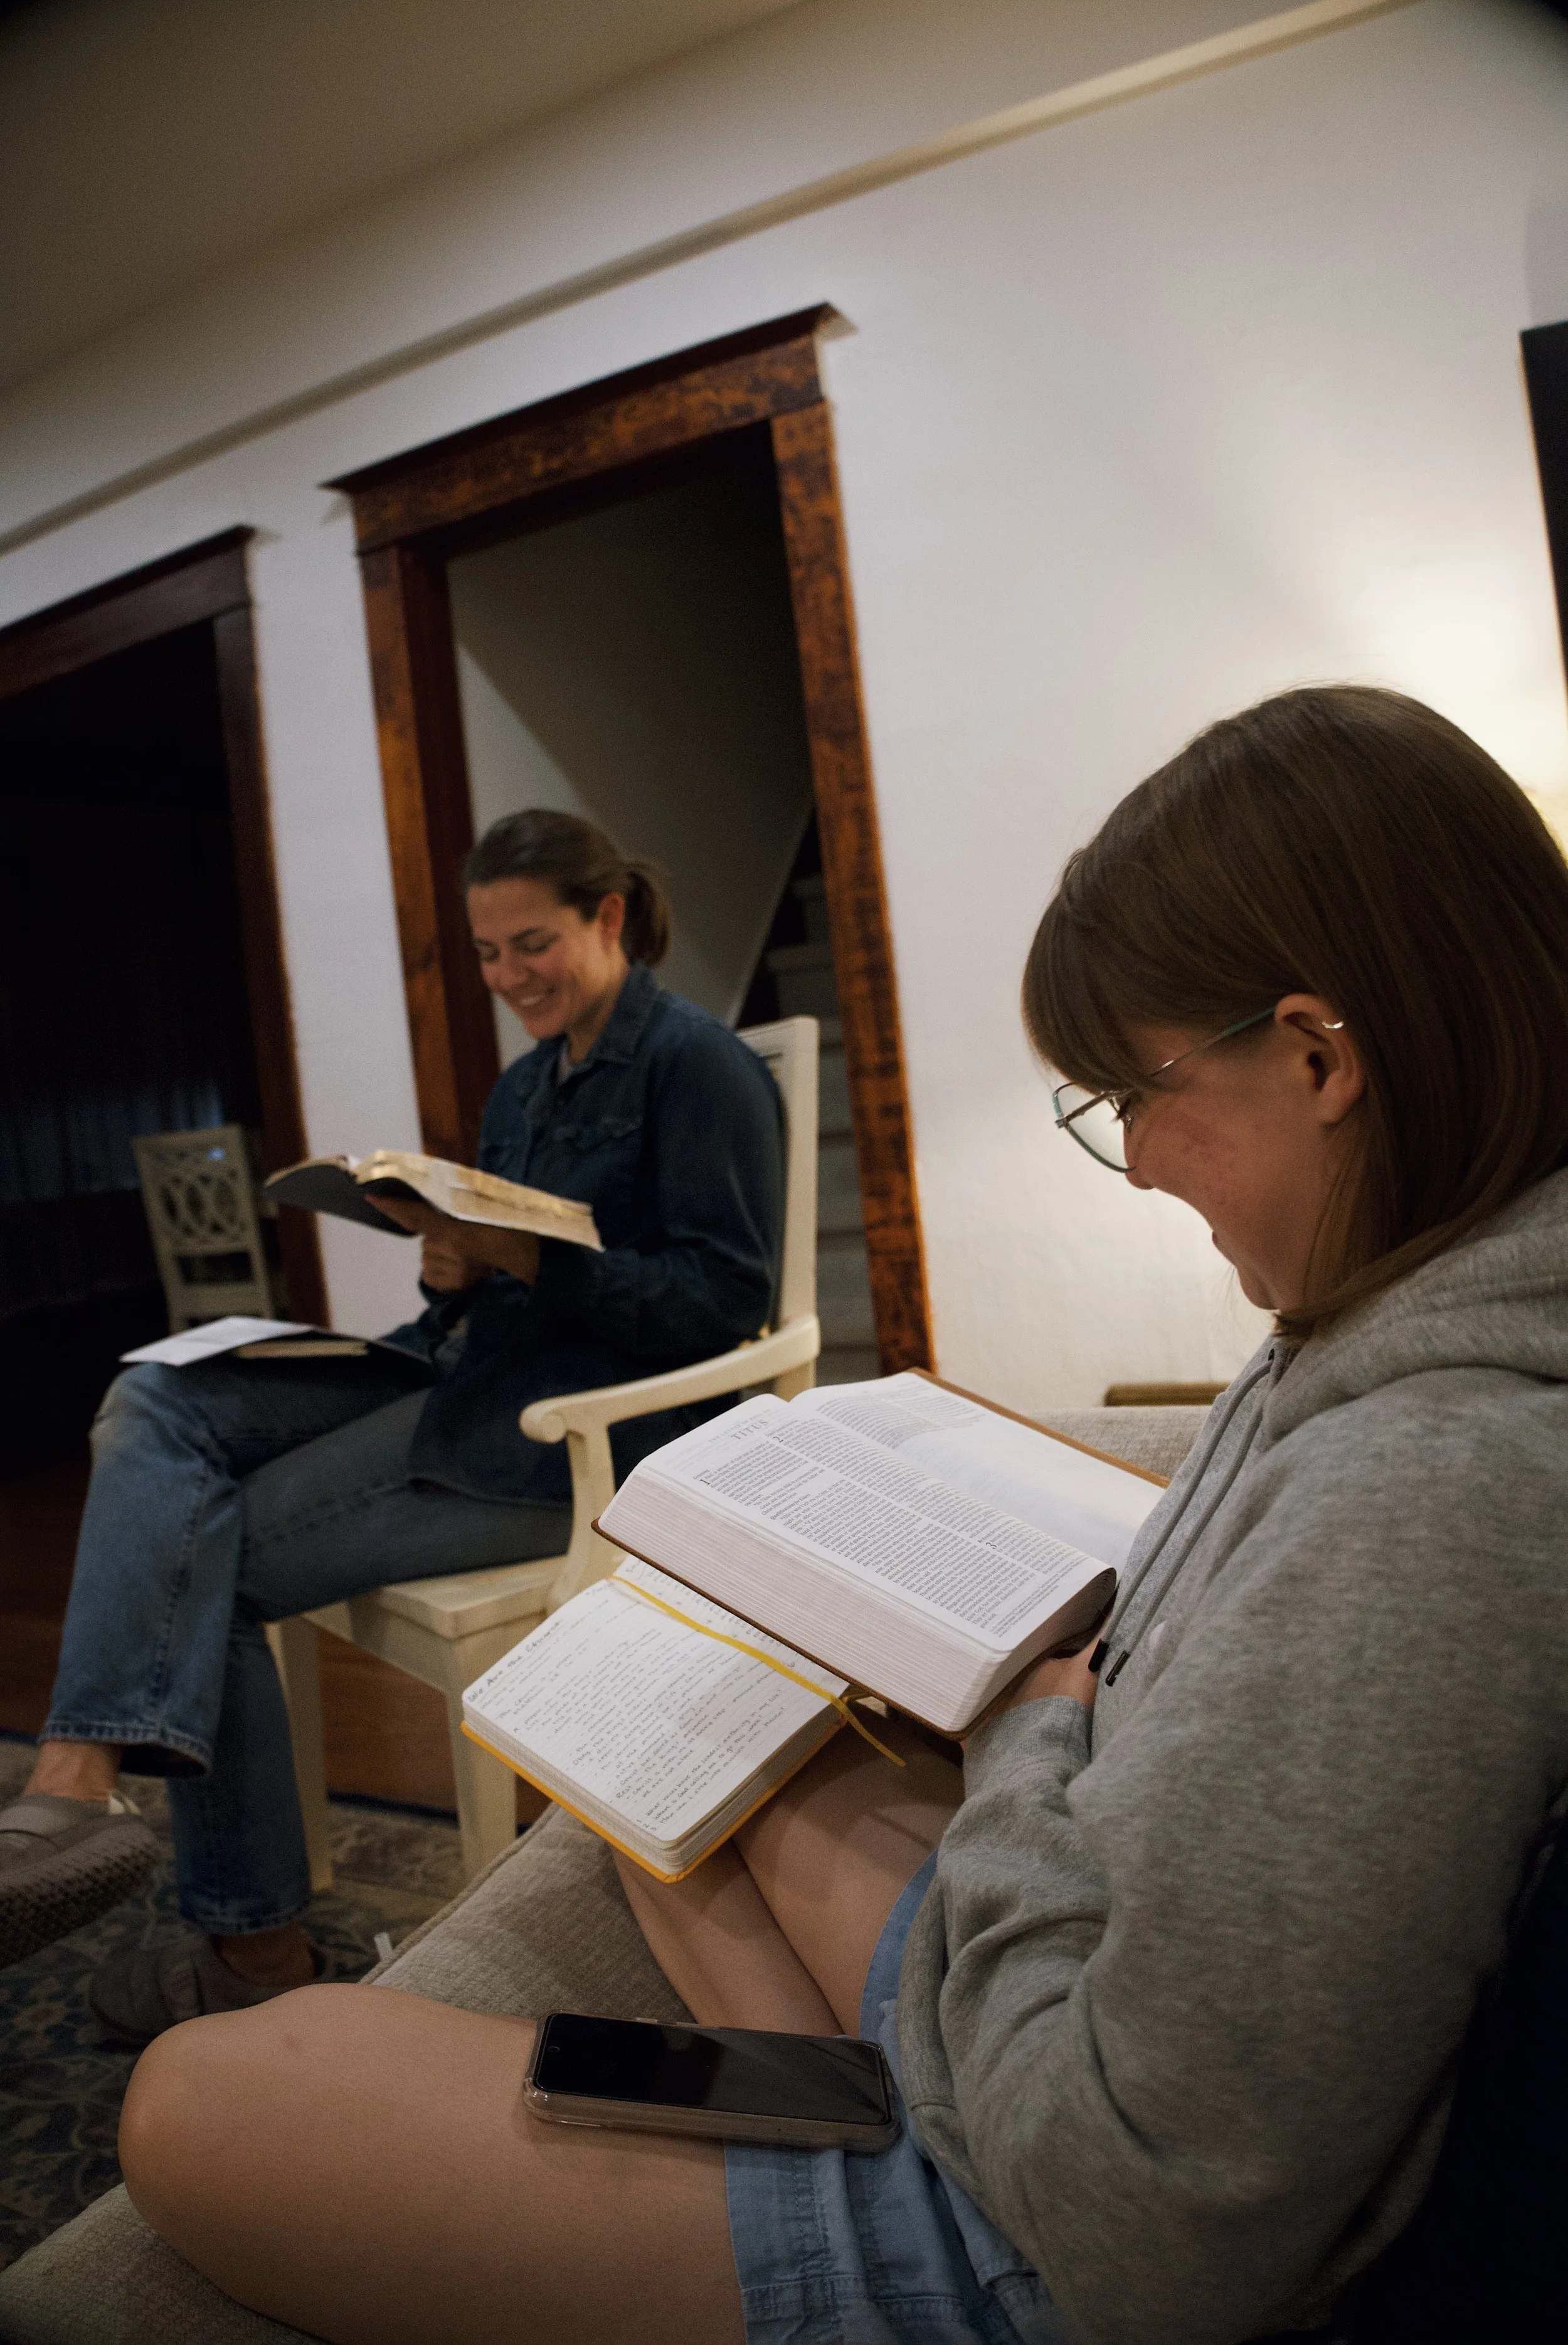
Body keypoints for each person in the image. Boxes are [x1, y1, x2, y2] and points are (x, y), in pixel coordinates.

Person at [114, 687, 1568, 2345]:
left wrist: (1025, 1746)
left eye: (1135, 1090)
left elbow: (1147, 2220)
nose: (1143, 1159)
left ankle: (876, 2154)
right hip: (1068, 1980)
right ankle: (883, 2095)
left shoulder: (1429, 1491)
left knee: (196, 2097)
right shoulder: (1384, 1307)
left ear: (1319, 1055)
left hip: (1064, 2229)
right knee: (668, 1729)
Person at [0, 809, 785, 2039]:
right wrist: (452, 1268)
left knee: (203, 1559)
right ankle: (80, 1771)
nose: (508, 977)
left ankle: (246, 1946)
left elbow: (722, 1302)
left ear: (609, 918)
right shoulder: (525, 1087)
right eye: (486, 955)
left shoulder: (701, 1069)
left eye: (532, 944)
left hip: (560, 1434)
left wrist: (528, 1258)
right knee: (158, 1397)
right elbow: (490, 1271)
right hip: (457, 1370)